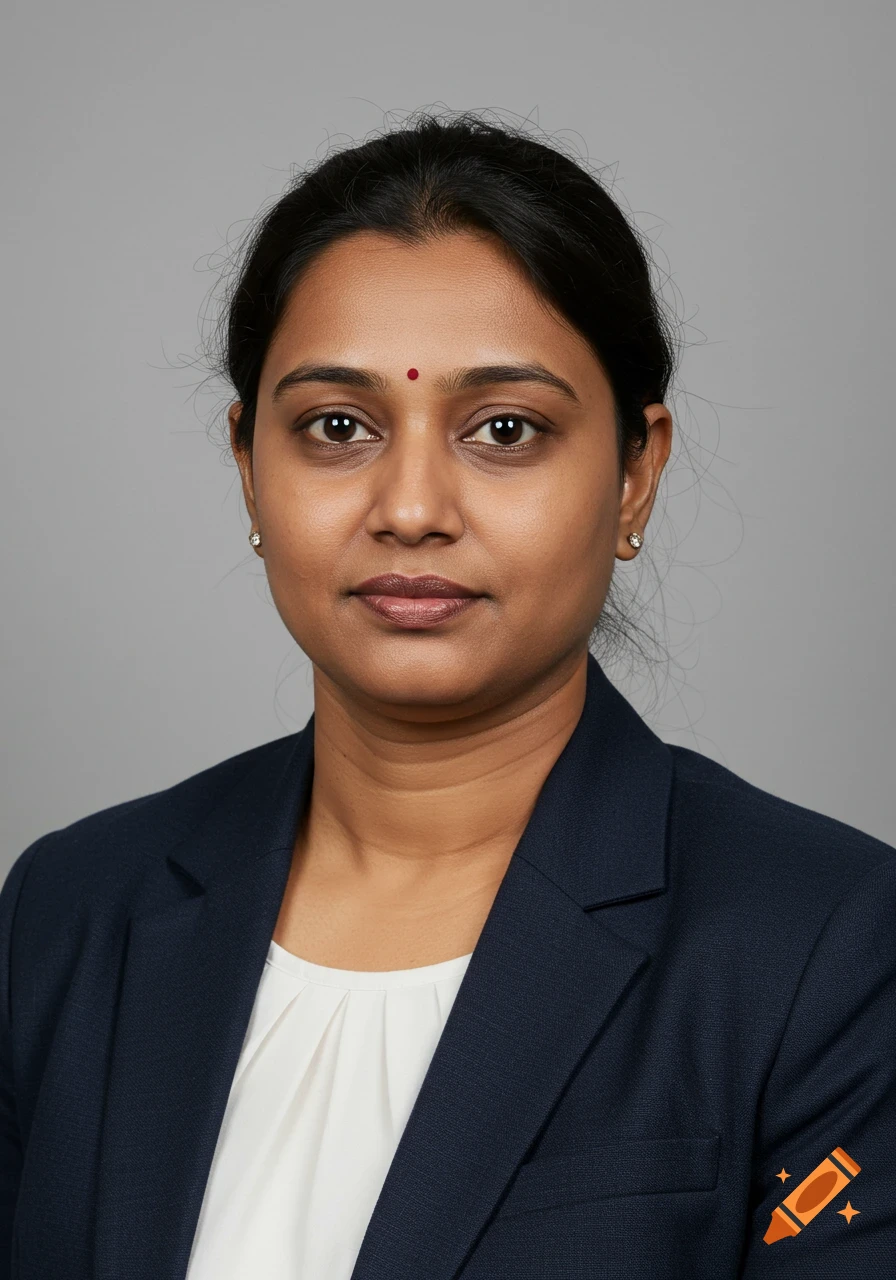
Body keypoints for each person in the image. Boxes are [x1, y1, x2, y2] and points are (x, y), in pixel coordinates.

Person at [1, 111, 894, 1280]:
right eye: (336, 426)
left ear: (634, 472)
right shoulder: (70, 912)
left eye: (503, 429)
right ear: (247, 469)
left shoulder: (823, 945)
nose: (410, 505)